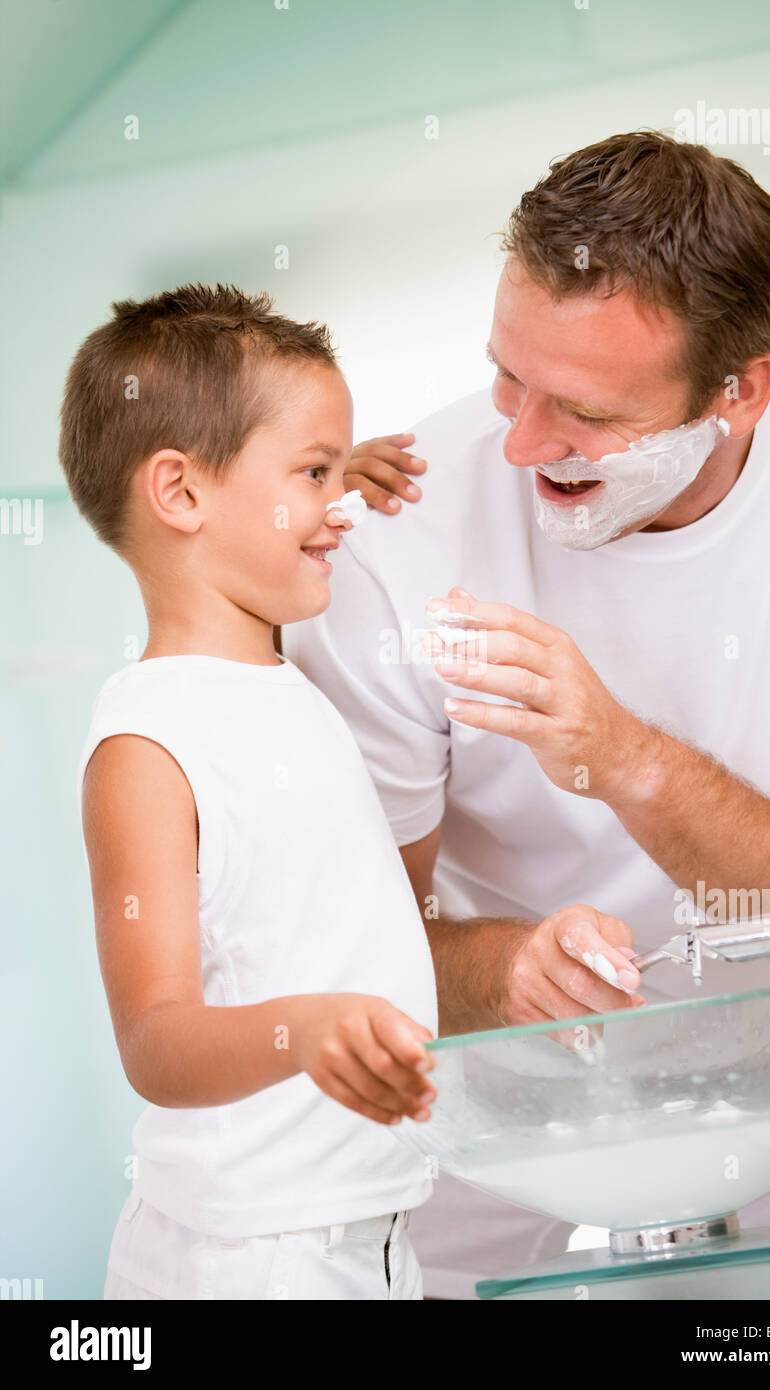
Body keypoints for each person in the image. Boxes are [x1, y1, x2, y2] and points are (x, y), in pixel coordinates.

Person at [286, 131, 770, 1296]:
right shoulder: (398, 535)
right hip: (506, 1163)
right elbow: (350, 948)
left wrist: (624, 762)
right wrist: (507, 970)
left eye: (584, 411)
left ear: (738, 390)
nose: (518, 441)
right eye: (508, 375)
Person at [60, 283, 458, 1300]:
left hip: (367, 1234)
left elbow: (265, 544)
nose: (341, 503)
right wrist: (304, 1029)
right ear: (182, 496)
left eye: (341, 469)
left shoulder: (278, 676)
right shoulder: (146, 745)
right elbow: (155, 1037)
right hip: (248, 1259)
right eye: (314, 471)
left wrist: (316, 494)